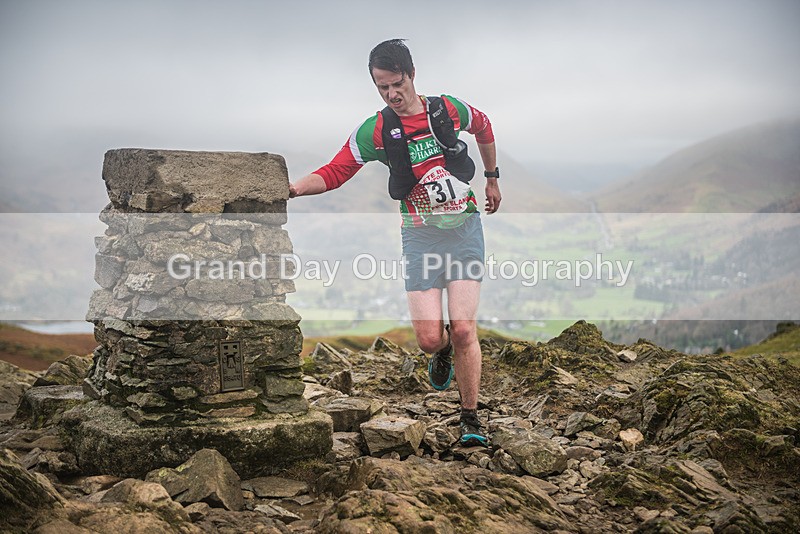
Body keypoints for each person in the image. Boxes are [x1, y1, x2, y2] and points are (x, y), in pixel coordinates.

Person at [289, 39, 501, 446]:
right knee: (429, 339)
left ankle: (470, 418)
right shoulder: (376, 131)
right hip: (420, 237)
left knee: (463, 328)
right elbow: (335, 171)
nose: (391, 94)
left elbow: (484, 125)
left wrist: (492, 178)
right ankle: (442, 352)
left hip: (464, 229)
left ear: (412, 74)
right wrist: (295, 189)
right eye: (382, 87)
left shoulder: (448, 109)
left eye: (397, 84)